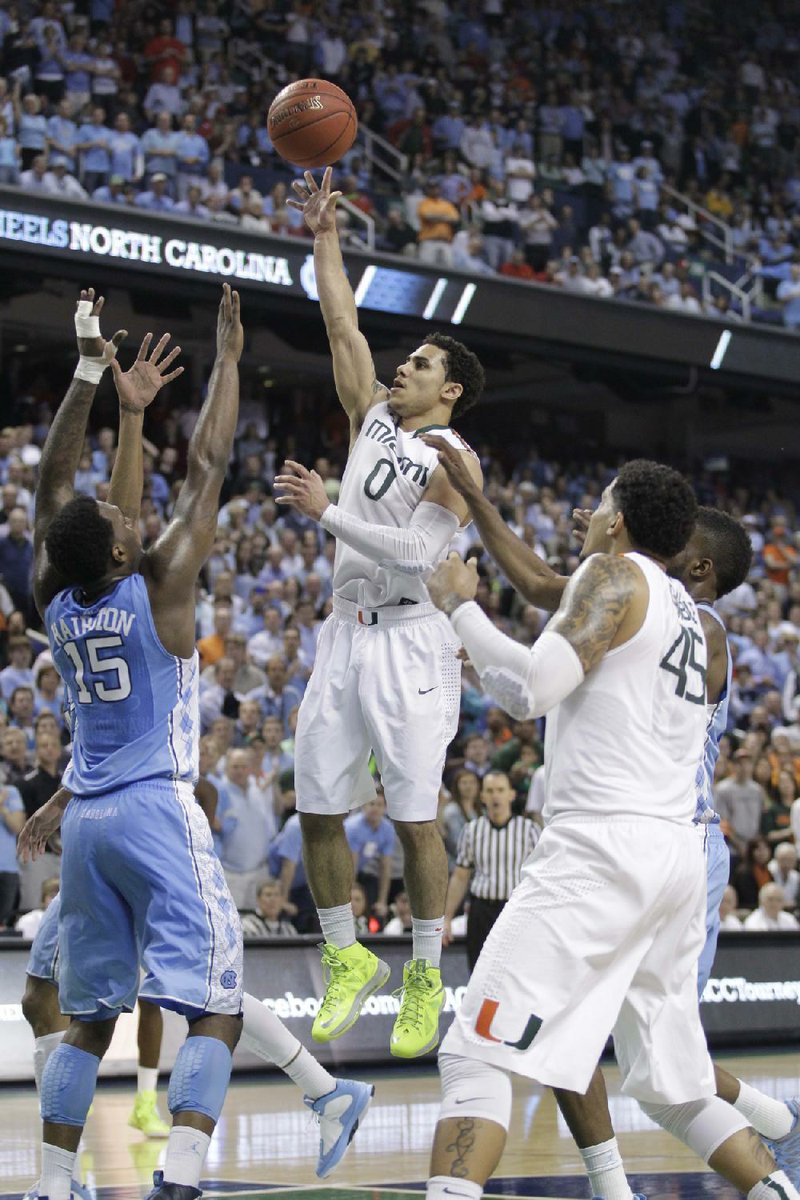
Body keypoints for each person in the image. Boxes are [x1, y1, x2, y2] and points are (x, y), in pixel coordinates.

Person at [21, 287, 373, 1188]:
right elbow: (211, 465)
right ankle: (180, 1173)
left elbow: (56, 491)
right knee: (214, 1002)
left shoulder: (56, 594)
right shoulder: (164, 586)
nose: (128, 513)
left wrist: (97, 382)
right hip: (155, 809)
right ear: (124, 556)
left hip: (89, 824)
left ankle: (54, 1183)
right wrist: (226, 358)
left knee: (88, 1018)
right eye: (124, 523)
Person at [422, 445, 800, 1190]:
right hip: (674, 862)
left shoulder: (615, 576)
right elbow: (554, 674)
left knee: (475, 1051)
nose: (587, 517)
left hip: (598, 854)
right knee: (670, 1086)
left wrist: (458, 603)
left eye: (597, 506)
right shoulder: (695, 619)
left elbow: (534, 687)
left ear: (618, 519)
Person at [274, 166, 485, 1060]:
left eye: (423, 365)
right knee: (315, 803)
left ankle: (428, 971)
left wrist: (326, 512)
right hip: (342, 633)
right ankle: (345, 955)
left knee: (412, 817)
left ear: (451, 391)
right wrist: (324, 234)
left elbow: (421, 555)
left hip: (412, 639)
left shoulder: (458, 461)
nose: (403, 368)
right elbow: (339, 321)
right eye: (407, 361)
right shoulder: (371, 419)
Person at [443, 770, 538, 971]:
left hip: (516, 910)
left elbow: (540, 876)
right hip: (481, 911)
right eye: (490, 790)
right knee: (479, 972)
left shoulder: (529, 830)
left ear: (511, 794)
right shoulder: (472, 830)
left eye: (500, 790)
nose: (495, 795)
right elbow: (460, 876)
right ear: (483, 796)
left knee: (516, 972)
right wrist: (448, 917)